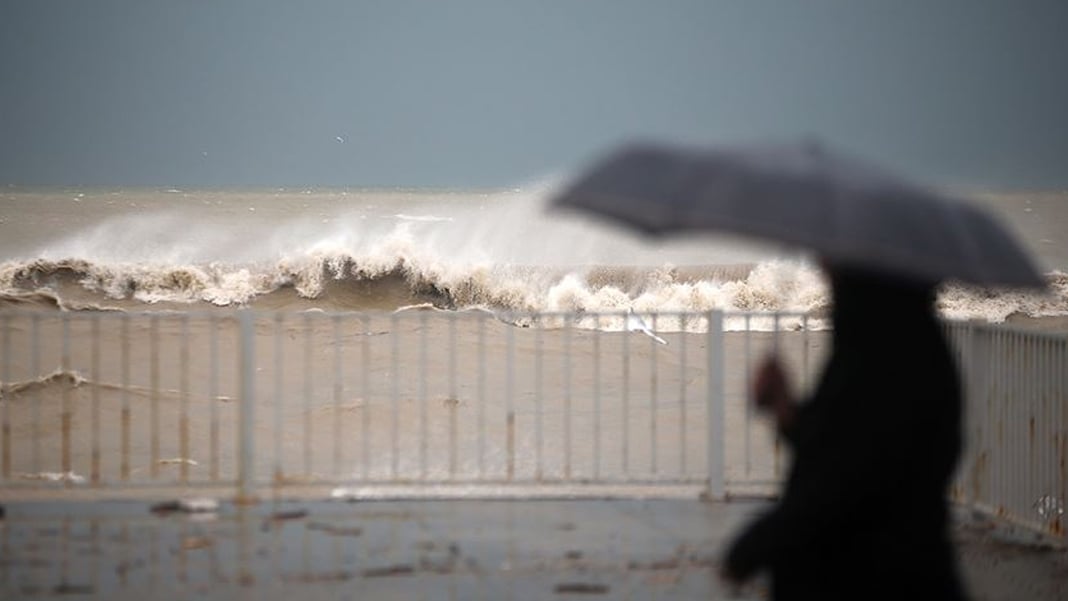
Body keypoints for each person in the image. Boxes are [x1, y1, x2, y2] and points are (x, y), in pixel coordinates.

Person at [722, 263, 969, 600]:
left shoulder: (886, 356)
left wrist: (757, 544)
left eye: (836, 266)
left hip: (874, 577)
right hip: (894, 567)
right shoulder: (890, 344)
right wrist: (784, 407)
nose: (825, 272)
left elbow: (845, 480)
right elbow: (835, 438)